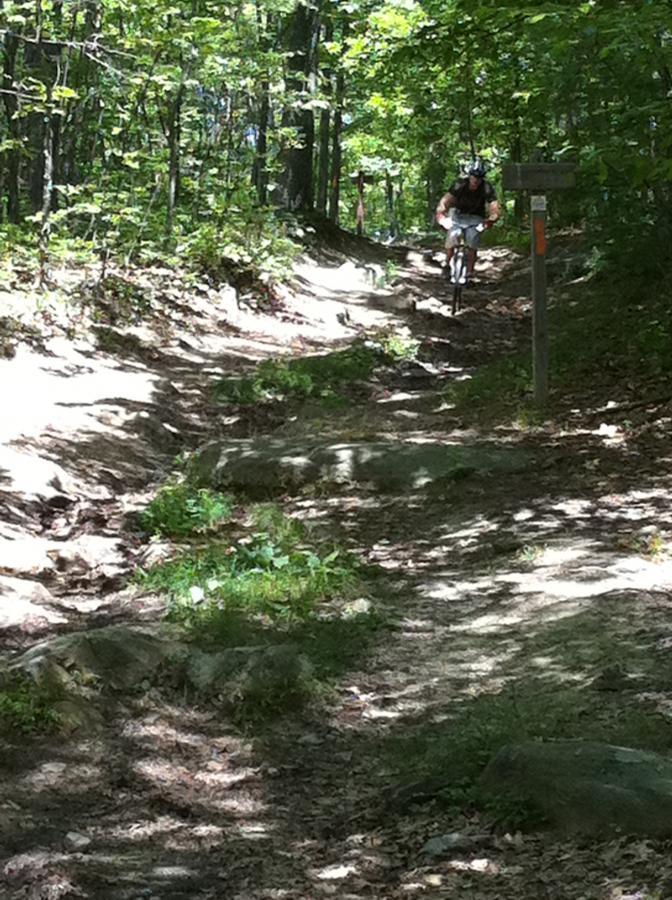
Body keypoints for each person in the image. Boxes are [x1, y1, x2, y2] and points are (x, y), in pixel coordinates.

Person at [435, 159, 500, 283]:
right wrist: (441, 214)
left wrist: (492, 219)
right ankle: (447, 264)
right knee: (453, 236)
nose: (476, 180)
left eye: (479, 178)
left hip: (476, 217)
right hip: (457, 215)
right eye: (474, 176)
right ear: (469, 176)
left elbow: (494, 206)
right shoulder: (460, 184)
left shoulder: (486, 188)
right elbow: (445, 200)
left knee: (472, 241)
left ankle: (470, 272)